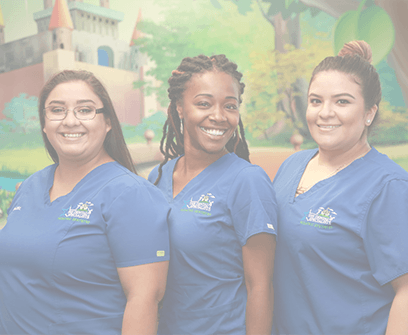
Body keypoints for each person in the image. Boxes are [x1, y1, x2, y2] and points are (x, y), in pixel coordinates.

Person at [0, 70, 170, 334]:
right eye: (57, 110)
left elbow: (144, 300)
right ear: (44, 123)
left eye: (85, 110)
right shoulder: (31, 186)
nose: (70, 120)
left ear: (108, 122)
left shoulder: (131, 194)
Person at [272, 40, 408, 334]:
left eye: (342, 101)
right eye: (316, 100)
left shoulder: (388, 186)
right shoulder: (291, 167)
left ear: (369, 113)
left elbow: (406, 291)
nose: (325, 113)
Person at [148, 54, 277, 334]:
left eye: (230, 106)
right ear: (180, 108)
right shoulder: (157, 178)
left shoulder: (247, 181)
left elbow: (261, 286)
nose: (218, 116)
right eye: (203, 104)